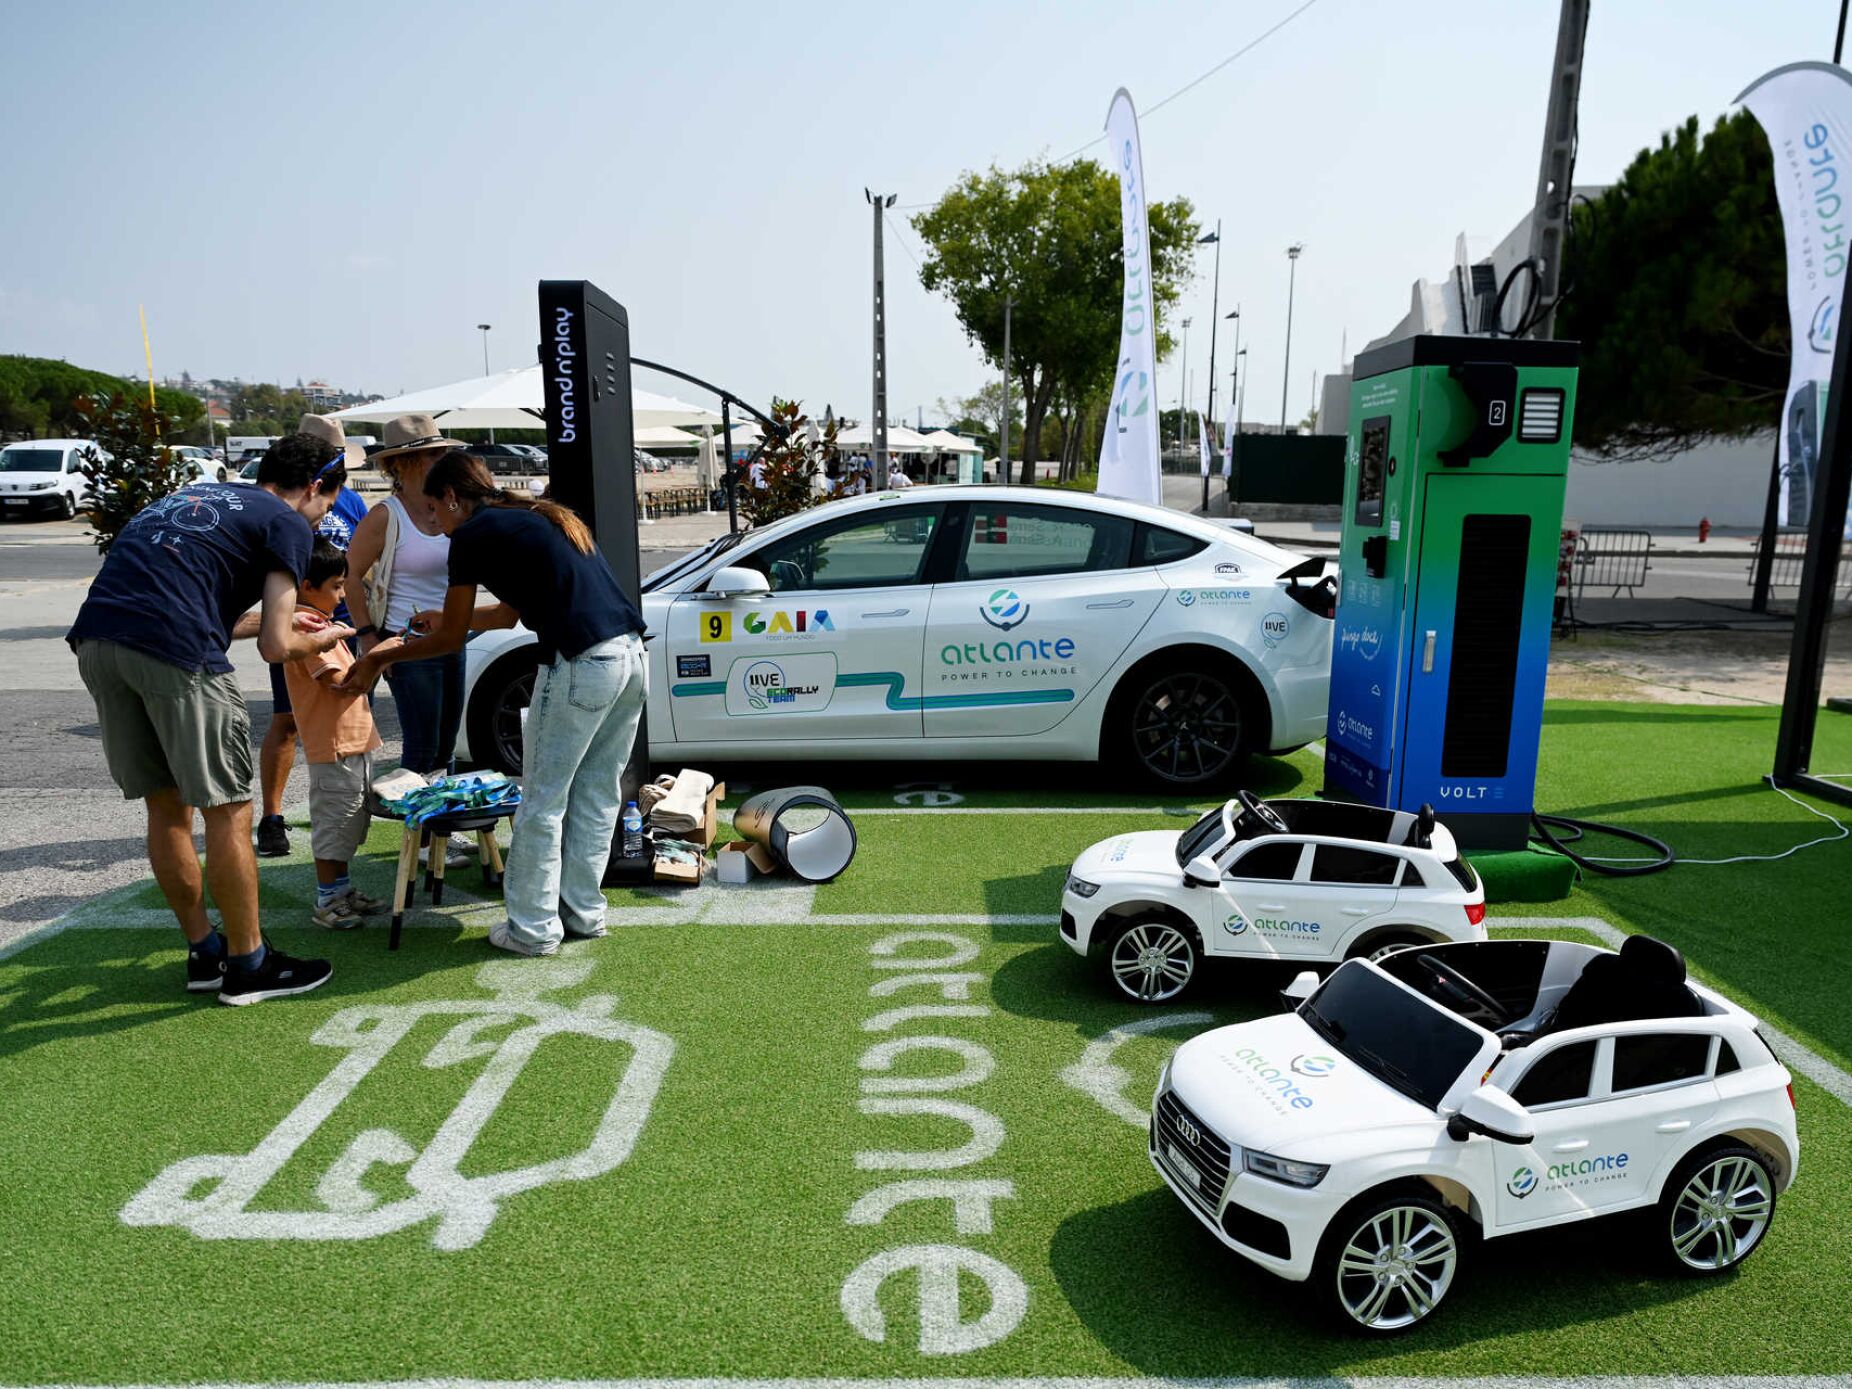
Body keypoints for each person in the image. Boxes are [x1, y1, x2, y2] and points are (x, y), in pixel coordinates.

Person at [67, 433, 353, 1005]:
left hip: (98, 641)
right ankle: (249, 963)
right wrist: (326, 635)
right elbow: (276, 646)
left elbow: (199, 604)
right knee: (228, 810)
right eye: (327, 504)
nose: (322, 520)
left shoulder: (196, 493)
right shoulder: (289, 522)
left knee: (166, 806)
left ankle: (205, 953)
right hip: (176, 653)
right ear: (317, 487)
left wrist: (284, 622)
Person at [373, 455, 646, 957]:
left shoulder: (472, 535)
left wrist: (381, 656)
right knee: (596, 792)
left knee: (542, 800)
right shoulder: (538, 516)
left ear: (454, 498)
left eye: (435, 510)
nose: (433, 522)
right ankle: (583, 914)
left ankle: (532, 929)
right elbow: (503, 614)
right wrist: (442, 617)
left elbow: (453, 639)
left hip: (579, 662)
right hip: (630, 657)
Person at [344, 413, 470, 866]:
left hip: (453, 636)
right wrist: (369, 640)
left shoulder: (447, 505)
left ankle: (444, 828)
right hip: (406, 640)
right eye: (432, 454)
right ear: (403, 464)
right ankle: (421, 836)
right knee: (421, 742)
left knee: (446, 740)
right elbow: (351, 576)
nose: (442, 460)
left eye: (442, 452)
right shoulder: (386, 514)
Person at [255, 413, 372, 858]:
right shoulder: (284, 506)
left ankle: (340, 802)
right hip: (299, 619)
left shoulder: (348, 501)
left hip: (339, 623)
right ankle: (272, 816)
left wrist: (361, 624)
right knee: (288, 720)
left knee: (343, 715)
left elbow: (359, 566)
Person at [284, 539, 403, 928]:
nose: (341, 594)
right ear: (306, 585)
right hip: (333, 746)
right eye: (336, 585)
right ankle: (327, 899)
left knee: (349, 822)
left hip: (351, 742)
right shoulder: (307, 630)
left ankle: (342, 890)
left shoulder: (322, 625)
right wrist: (379, 654)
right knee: (334, 825)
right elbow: (341, 683)